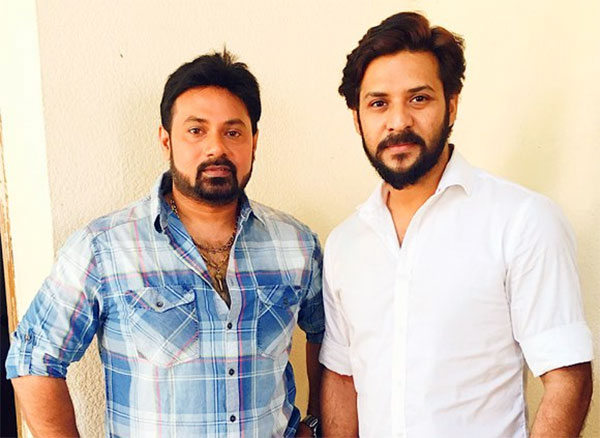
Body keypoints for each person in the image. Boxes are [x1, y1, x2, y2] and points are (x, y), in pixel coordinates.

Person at [6, 50, 323, 438]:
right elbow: (33, 359)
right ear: (166, 140)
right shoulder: (104, 248)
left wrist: (314, 423)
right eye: (196, 130)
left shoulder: (296, 244)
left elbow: (328, 337)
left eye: (233, 132)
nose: (215, 148)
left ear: (254, 142)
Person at [319, 12, 593, 438]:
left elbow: (567, 377)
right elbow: (342, 376)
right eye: (378, 103)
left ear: (452, 105)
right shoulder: (345, 244)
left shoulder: (522, 221)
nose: (398, 121)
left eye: (418, 99)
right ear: (357, 118)